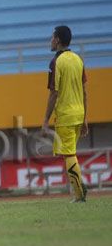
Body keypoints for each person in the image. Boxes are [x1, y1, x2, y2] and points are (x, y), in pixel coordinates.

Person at [42, 25, 88, 203]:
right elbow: (85, 91)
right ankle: (79, 187)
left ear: (58, 40)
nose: (50, 40)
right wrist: (85, 118)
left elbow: (54, 92)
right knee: (71, 152)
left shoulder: (56, 62)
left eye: (52, 37)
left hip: (66, 115)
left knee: (69, 154)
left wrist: (45, 119)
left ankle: (79, 193)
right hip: (78, 114)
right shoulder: (78, 59)